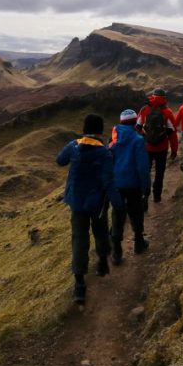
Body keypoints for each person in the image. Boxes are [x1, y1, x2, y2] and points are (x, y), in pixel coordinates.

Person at [56, 113, 124, 305]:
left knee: (79, 239)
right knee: (101, 232)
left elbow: (60, 160)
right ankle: (102, 263)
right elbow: (109, 182)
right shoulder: (104, 153)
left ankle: (79, 286)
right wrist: (118, 204)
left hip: (77, 202)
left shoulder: (74, 146)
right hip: (97, 203)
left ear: (85, 129)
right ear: (101, 131)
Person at [109, 109, 151, 262]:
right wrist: (146, 185)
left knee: (117, 215)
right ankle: (139, 243)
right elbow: (142, 167)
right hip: (133, 184)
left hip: (116, 184)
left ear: (121, 122)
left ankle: (116, 253)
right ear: (135, 122)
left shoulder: (114, 138)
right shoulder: (138, 140)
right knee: (136, 213)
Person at [137, 88, 178, 204]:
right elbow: (172, 132)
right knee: (160, 172)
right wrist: (174, 150)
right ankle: (156, 196)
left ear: (152, 96)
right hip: (162, 148)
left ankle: (145, 194)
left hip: (147, 148)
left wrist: (144, 140)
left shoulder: (144, 109)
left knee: (146, 171)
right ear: (164, 98)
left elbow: (138, 127)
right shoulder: (167, 112)